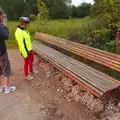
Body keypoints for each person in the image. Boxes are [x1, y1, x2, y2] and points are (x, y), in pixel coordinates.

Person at [0, 10, 16, 93]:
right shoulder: (1, 26)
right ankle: (6, 88)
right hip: (1, 52)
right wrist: (5, 27)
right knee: (5, 69)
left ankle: (0, 88)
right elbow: (6, 36)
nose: (3, 17)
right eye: (2, 15)